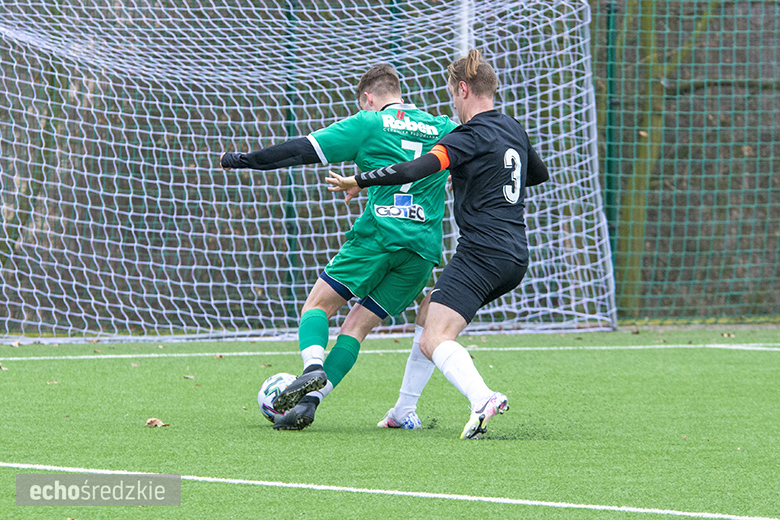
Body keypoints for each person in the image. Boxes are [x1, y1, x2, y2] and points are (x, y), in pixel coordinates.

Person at [219, 64, 458, 430]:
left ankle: (313, 367)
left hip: (378, 236)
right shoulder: (443, 126)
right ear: (398, 91)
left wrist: (244, 161)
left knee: (317, 305)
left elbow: (300, 150)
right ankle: (310, 403)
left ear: (368, 98)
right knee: (356, 328)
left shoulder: (368, 123)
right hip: (423, 249)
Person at [326, 49, 549, 439]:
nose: (452, 103)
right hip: (514, 253)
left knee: (435, 337)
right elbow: (536, 173)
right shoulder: (512, 128)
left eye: (452, 94)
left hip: (482, 252)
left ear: (463, 89)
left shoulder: (468, 136)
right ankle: (403, 410)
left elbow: (414, 169)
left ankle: (482, 398)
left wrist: (359, 181)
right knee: (428, 311)